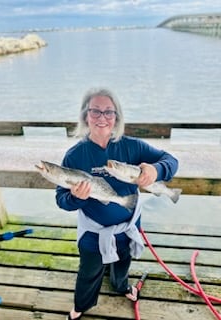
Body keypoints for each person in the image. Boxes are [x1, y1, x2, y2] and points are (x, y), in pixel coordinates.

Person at [56, 87, 178, 320]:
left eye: (109, 112)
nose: (102, 118)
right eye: (95, 111)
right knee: (89, 270)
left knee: (123, 262)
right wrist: (74, 198)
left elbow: (171, 161)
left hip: (128, 225)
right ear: (85, 116)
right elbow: (61, 200)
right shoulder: (74, 156)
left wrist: (156, 169)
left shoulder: (133, 146)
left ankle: (121, 286)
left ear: (117, 117)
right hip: (94, 232)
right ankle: (82, 304)